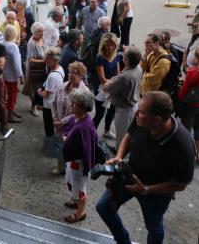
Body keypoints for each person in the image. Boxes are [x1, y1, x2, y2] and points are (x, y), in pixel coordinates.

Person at [95, 91, 195, 244]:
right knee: (104, 208)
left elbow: (181, 185)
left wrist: (146, 189)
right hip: (130, 176)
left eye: (141, 112)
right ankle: (123, 240)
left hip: (157, 193)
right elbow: (129, 136)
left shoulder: (184, 146)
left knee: (154, 227)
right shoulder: (141, 119)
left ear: (157, 120)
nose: (136, 113)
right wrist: (119, 157)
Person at [58, 88, 98, 223]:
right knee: (72, 181)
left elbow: (72, 142)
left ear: (82, 107)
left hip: (78, 163)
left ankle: (80, 213)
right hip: (75, 161)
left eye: (74, 104)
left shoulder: (82, 126)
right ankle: (76, 202)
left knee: (80, 187)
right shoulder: (82, 119)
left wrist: (65, 139)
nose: (71, 105)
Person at [52, 62, 90, 175]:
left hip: (73, 126)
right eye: (70, 72)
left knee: (71, 147)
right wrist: (55, 119)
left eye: (75, 73)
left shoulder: (84, 92)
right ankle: (60, 167)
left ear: (82, 76)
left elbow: (80, 113)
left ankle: (70, 169)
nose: (71, 75)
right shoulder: (63, 86)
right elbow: (53, 103)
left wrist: (62, 122)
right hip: (58, 122)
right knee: (60, 146)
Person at [103, 46, 142, 149]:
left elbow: (106, 88)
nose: (122, 57)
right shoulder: (138, 67)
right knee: (127, 133)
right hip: (132, 105)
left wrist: (111, 80)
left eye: (124, 56)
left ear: (127, 60)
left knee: (122, 136)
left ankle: (119, 156)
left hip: (124, 110)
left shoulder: (125, 77)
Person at [92, 32, 119, 140]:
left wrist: (115, 82)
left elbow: (118, 73)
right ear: (103, 45)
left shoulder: (115, 55)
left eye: (112, 45)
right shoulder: (100, 57)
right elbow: (102, 79)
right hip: (101, 90)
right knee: (99, 114)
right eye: (107, 45)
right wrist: (116, 82)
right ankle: (91, 133)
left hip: (112, 88)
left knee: (112, 110)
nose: (110, 48)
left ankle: (106, 131)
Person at [178, 47, 199, 164]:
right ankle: (198, 154)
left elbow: (182, 93)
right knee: (198, 128)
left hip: (190, 106)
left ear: (197, 59)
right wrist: (185, 61)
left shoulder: (192, 73)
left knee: (185, 129)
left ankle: (185, 154)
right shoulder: (192, 71)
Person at [38, 47, 64, 137]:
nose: (45, 60)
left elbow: (45, 94)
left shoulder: (52, 76)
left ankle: (49, 145)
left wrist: (39, 91)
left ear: (54, 60)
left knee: (48, 127)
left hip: (49, 105)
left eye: (47, 58)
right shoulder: (60, 68)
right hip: (56, 102)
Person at [24, 22, 47, 117]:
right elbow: (30, 59)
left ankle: (38, 104)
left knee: (41, 87)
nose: (42, 33)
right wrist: (43, 61)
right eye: (39, 31)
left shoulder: (40, 39)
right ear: (34, 32)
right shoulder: (31, 43)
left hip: (42, 69)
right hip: (34, 70)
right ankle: (33, 107)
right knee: (35, 89)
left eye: (42, 31)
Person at [2, 25, 24, 123]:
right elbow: (16, 63)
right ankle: (9, 116)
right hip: (12, 75)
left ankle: (11, 110)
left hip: (4, 74)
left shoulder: (3, 44)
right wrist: (21, 76)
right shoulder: (13, 46)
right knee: (12, 95)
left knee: (8, 94)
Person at [15, 0, 35, 67]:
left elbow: (33, 26)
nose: (16, 5)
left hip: (26, 39)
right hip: (16, 39)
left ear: (23, 6)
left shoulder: (29, 14)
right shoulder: (15, 13)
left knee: (24, 56)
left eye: (18, 4)